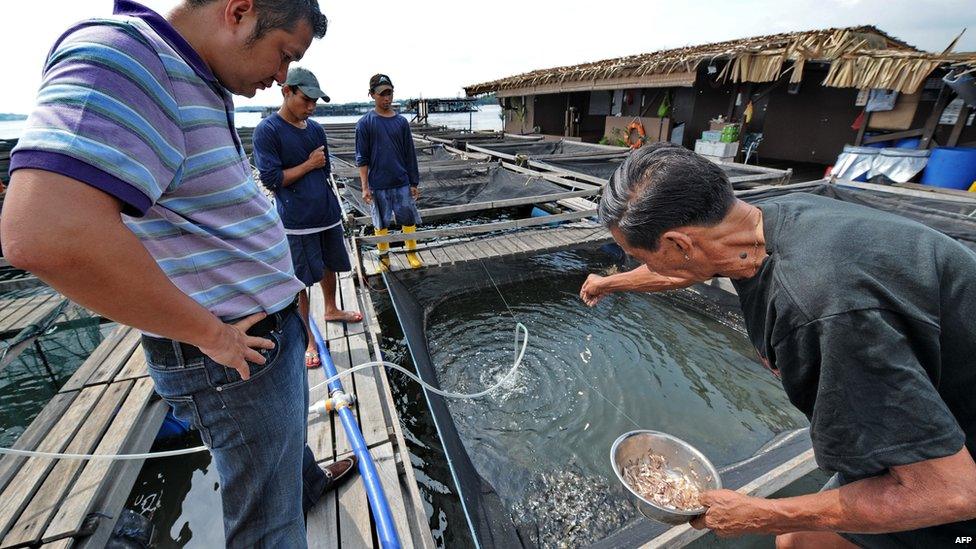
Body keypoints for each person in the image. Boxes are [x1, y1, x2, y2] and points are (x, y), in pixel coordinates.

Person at [1, 1, 356, 546]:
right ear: (239, 11)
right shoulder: (125, 57)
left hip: (260, 336)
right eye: (284, 55)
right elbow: (41, 232)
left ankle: (302, 483)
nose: (283, 77)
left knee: (277, 465)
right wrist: (211, 334)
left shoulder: (194, 75)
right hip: (234, 349)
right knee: (268, 525)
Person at [581, 143, 976, 548]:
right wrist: (610, 283)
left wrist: (756, 514)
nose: (637, 264)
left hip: (956, 473)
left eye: (635, 256)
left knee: (795, 538)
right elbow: (683, 269)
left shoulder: (820, 312)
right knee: (796, 541)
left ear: (680, 244)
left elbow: (951, 493)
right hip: (940, 401)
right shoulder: (770, 221)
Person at [253, 66, 363, 369]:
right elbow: (272, 179)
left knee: (330, 266)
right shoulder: (268, 130)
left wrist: (317, 170)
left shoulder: (316, 129)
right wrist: (308, 164)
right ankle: (307, 340)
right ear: (286, 91)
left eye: (315, 101)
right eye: (306, 99)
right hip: (296, 223)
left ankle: (331, 308)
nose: (311, 107)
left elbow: (325, 170)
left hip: (326, 214)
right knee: (300, 282)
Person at [355, 73, 422, 269]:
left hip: (401, 181)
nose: (387, 98)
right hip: (378, 183)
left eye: (390, 93)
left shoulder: (401, 122)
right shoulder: (365, 123)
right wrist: (365, 187)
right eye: (382, 94)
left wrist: (413, 182)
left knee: (408, 218)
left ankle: (411, 253)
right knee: (380, 223)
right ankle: (384, 258)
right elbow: (362, 158)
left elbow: (410, 154)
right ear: (372, 95)